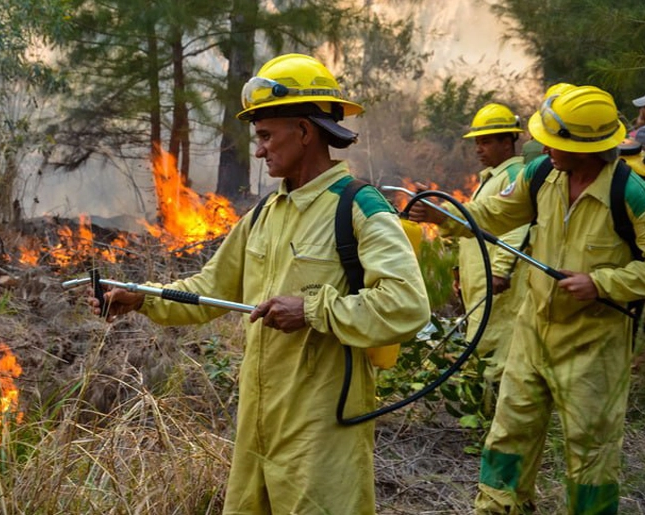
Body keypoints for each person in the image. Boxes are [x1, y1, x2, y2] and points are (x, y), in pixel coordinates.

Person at [94, 53, 430, 514]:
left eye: (267, 136)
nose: (258, 150)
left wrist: (310, 310)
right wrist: (142, 298)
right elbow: (210, 289)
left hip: (321, 434)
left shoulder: (358, 206)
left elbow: (407, 304)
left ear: (305, 131)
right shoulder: (264, 215)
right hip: (256, 429)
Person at [409, 85, 645, 514]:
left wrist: (601, 283)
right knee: (508, 436)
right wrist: (446, 215)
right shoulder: (539, 175)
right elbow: (494, 214)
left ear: (585, 147)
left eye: (554, 140)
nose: (543, 146)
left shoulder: (630, 194)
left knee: (590, 451)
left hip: (594, 347)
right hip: (532, 335)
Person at [456, 103, 529, 398]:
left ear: (508, 142)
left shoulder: (515, 176)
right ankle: (479, 411)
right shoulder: (492, 177)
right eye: (477, 142)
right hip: (479, 280)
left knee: (492, 347)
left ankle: (489, 412)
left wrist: (501, 270)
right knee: (480, 343)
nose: (478, 149)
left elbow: (518, 227)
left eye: (486, 142)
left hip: (496, 282)